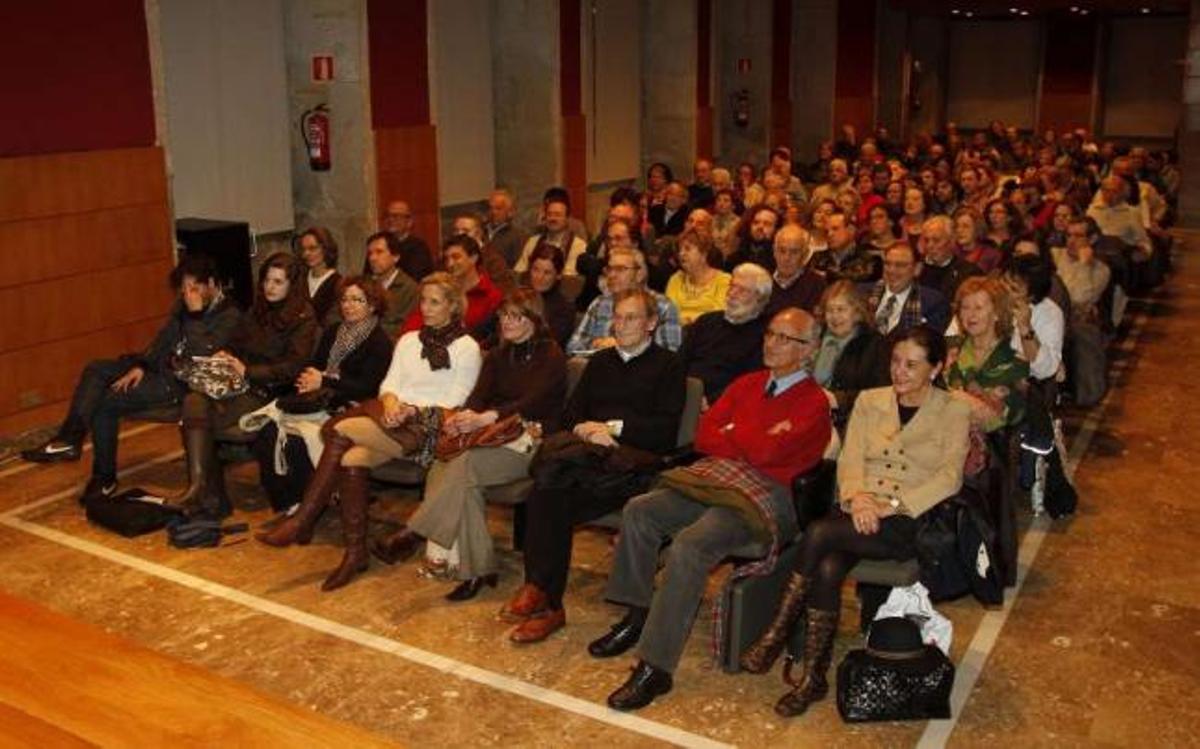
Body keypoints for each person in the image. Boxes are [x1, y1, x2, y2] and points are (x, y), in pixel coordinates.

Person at [595, 308, 831, 711]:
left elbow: (768, 453)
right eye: (770, 333)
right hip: (718, 478)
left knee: (691, 543)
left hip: (767, 496)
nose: (770, 342)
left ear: (808, 349)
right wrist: (747, 436)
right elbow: (705, 436)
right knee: (640, 510)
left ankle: (655, 666)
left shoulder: (814, 403)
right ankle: (638, 615)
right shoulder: (747, 383)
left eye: (784, 338)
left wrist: (736, 432)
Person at [740, 326, 970, 718]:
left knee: (819, 533)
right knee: (828, 566)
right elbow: (850, 458)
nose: (899, 372)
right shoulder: (870, 400)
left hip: (907, 519)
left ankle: (777, 630)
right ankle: (813, 677)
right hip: (858, 511)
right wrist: (858, 496)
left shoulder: (954, 410)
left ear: (936, 368)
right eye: (896, 361)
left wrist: (890, 505)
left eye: (912, 365)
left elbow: (949, 478)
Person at [257, 273, 482, 591]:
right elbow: (388, 385)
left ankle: (304, 519)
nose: (426, 308)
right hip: (394, 422)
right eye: (423, 301)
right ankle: (354, 553)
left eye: (435, 302)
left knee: (340, 429)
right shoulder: (408, 340)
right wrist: (391, 404)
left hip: (432, 429)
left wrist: (410, 410)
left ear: (454, 306)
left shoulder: (466, 347)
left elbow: (456, 400)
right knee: (351, 459)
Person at [500, 290, 686, 644]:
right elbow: (571, 414)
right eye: (617, 316)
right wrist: (584, 428)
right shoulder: (601, 362)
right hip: (589, 463)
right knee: (545, 492)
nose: (622, 324)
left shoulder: (669, 365)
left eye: (631, 317)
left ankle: (543, 595)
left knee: (552, 495)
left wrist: (610, 430)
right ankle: (546, 600)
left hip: (635, 466)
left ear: (651, 324)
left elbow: (665, 431)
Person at [368, 288, 568, 601]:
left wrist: (486, 417)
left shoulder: (551, 354)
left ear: (533, 319)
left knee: (462, 465)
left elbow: (534, 400)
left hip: (531, 440)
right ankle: (478, 570)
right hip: (489, 439)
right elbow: (476, 397)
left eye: (515, 317)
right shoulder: (499, 355)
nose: (507, 323)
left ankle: (416, 531)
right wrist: (464, 417)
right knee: (465, 482)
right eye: (503, 316)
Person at [21, 255, 241, 503]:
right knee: (95, 369)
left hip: (183, 383)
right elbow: (163, 339)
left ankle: (104, 477)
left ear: (211, 284)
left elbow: (201, 354)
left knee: (106, 403)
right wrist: (141, 365)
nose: (188, 294)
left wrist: (196, 314)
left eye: (194, 288)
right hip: (159, 367)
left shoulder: (230, 314)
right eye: (184, 289)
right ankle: (70, 439)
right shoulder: (183, 305)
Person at [171, 252, 320, 518]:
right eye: (266, 280)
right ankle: (200, 488)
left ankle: (210, 497)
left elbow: (292, 368)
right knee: (193, 402)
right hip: (240, 385)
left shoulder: (303, 318)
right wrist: (226, 353)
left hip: (269, 391)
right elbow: (238, 342)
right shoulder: (257, 310)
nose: (269, 287)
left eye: (278, 282)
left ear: (292, 285)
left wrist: (247, 370)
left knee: (197, 422)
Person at [251, 276, 393, 515]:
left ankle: (308, 504)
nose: (348, 305)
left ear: (372, 305)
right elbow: (315, 366)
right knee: (267, 432)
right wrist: (309, 381)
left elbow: (368, 387)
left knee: (296, 442)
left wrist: (324, 381)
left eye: (357, 300)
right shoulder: (333, 332)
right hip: (319, 399)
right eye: (345, 299)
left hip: (352, 406)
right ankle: (287, 502)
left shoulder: (379, 342)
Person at [680, 263, 773, 405]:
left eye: (742, 290)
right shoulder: (706, 321)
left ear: (759, 298)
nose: (732, 294)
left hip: (724, 405)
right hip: (684, 395)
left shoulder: (765, 335)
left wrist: (711, 400)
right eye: (732, 286)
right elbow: (680, 362)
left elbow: (750, 383)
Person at [947, 277, 1029, 435]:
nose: (970, 315)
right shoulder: (949, 350)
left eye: (978, 308)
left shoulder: (1014, 359)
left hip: (990, 446)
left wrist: (954, 398)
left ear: (997, 313)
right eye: (965, 307)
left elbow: (1004, 416)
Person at [567, 247, 682, 354]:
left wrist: (623, 346)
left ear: (639, 274)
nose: (612, 275)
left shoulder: (663, 306)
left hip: (641, 372)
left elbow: (670, 353)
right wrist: (596, 343)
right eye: (609, 269)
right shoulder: (600, 303)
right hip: (602, 367)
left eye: (620, 269)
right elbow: (572, 346)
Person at [812, 281, 890, 429]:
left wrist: (839, 400)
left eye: (841, 310)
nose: (834, 317)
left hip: (850, 422)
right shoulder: (815, 338)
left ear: (857, 312)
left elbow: (881, 392)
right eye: (829, 310)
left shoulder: (875, 344)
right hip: (811, 413)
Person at [403, 235, 502, 339]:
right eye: (447, 259)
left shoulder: (492, 296)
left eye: (456, 257)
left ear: (473, 258)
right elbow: (413, 323)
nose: (450, 263)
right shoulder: (438, 290)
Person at [866, 243, 949, 335]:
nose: (891, 270)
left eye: (900, 265)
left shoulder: (933, 302)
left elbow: (931, 342)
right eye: (887, 264)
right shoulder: (862, 293)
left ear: (917, 269)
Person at [664, 229, 730, 324]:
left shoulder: (723, 280)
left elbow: (719, 315)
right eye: (680, 249)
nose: (681, 254)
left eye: (687, 249)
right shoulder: (676, 279)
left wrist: (689, 321)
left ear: (703, 254)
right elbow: (668, 314)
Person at [513, 194, 588, 275]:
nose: (552, 218)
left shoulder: (578, 245)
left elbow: (570, 277)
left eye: (557, 215)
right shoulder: (533, 242)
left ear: (567, 219)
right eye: (549, 214)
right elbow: (519, 271)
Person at [363, 231, 420, 338]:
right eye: (370, 253)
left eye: (379, 252)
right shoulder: (363, 285)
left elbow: (405, 327)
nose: (372, 258)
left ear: (396, 257)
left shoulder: (410, 289)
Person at [763, 225, 826, 318]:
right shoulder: (762, 279)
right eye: (782, 250)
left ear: (805, 255)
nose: (786, 258)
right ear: (774, 252)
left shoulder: (816, 284)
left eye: (794, 252)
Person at [918, 215, 982, 306]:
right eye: (926, 240)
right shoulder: (916, 270)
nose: (930, 246)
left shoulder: (968, 272)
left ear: (951, 241)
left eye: (936, 240)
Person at [525, 243, 576, 348]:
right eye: (535, 270)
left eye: (547, 273)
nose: (539, 277)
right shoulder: (518, 297)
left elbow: (549, 342)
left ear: (558, 275)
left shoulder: (565, 308)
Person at [808, 211, 880, 283]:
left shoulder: (869, 256)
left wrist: (828, 275)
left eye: (835, 229)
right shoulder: (818, 258)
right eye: (826, 231)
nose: (830, 234)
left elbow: (861, 277)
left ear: (851, 230)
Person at [295, 227, 342, 327]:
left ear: (325, 249)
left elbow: (333, 321)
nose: (306, 254)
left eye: (312, 248)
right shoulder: (298, 280)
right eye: (303, 249)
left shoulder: (338, 283)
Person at [382, 199, 434, 282]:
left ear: (409, 222)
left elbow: (416, 278)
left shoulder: (419, 247)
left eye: (395, 216)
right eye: (387, 216)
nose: (390, 220)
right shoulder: (378, 246)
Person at [723, 205, 780, 271]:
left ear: (776, 229)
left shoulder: (779, 260)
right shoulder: (735, 258)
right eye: (756, 222)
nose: (760, 227)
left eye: (767, 224)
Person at [484, 188, 527, 269]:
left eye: (498, 208)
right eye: (490, 208)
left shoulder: (518, 237)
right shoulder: (480, 231)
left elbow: (517, 269)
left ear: (510, 212)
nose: (493, 212)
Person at [951, 208, 1003, 273]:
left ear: (977, 229)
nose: (959, 230)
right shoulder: (951, 252)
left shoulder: (991, 255)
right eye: (957, 226)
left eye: (965, 226)